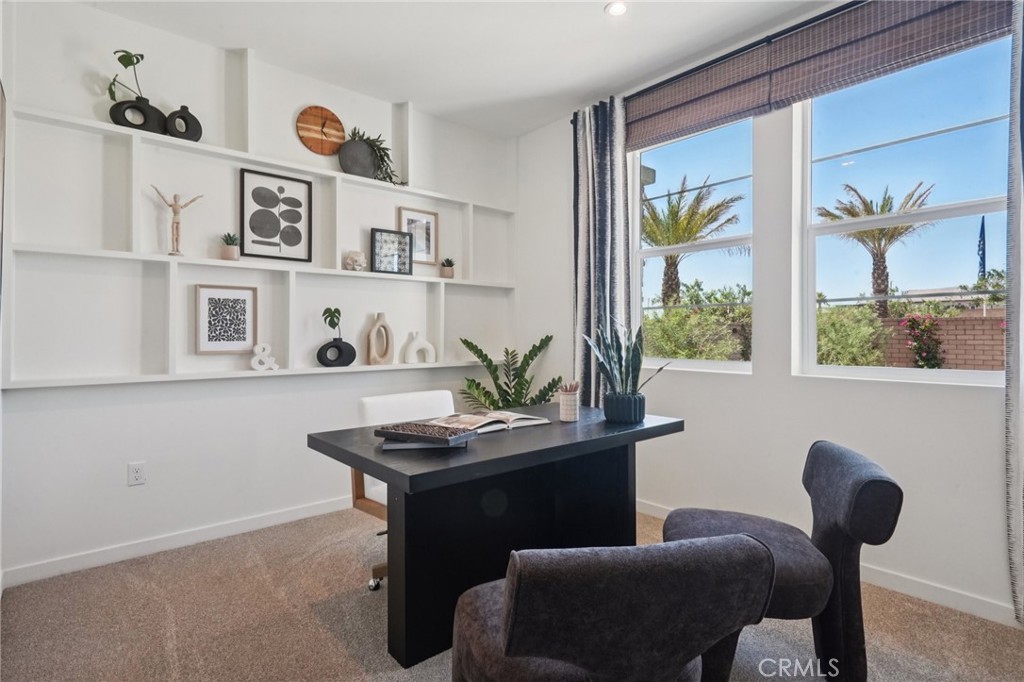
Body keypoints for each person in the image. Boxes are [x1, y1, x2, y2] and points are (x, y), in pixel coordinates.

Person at [151, 185, 203, 255]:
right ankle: (173, 248)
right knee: (173, 235)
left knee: (178, 235)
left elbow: (190, 202)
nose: (176, 199)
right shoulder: (172, 205)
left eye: (177, 198)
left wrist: (198, 197)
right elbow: (163, 197)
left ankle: (177, 248)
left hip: (178, 220)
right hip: (174, 219)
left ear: (179, 199)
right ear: (173, 198)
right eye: (175, 197)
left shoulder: (180, 206)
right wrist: (156, 189)